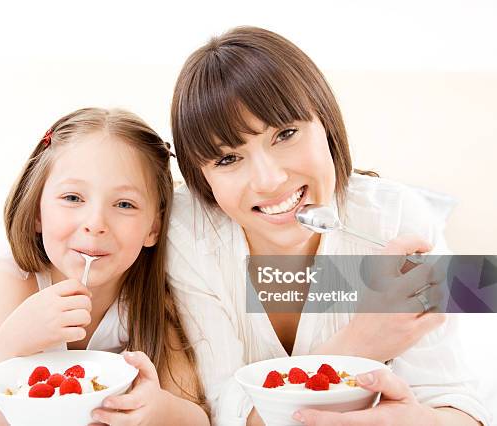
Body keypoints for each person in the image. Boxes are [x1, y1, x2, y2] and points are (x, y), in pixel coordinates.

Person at [167, 27, 489, 425]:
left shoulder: (399, 218)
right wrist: (359, 344)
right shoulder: (187, 232)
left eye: (285, 134)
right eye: (228, 159)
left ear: (327, 125)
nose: (268, 180)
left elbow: (458, 404)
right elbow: (226, 411)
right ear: (202, 179)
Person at [0, 107, 209, 425]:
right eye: (73, 198)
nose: (95, 224)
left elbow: (198, 418)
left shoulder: (151, 298)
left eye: (124, 204)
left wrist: (159, 409)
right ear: (37, 211)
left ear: (153, 229)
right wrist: (10, 345)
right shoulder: (14, 281)